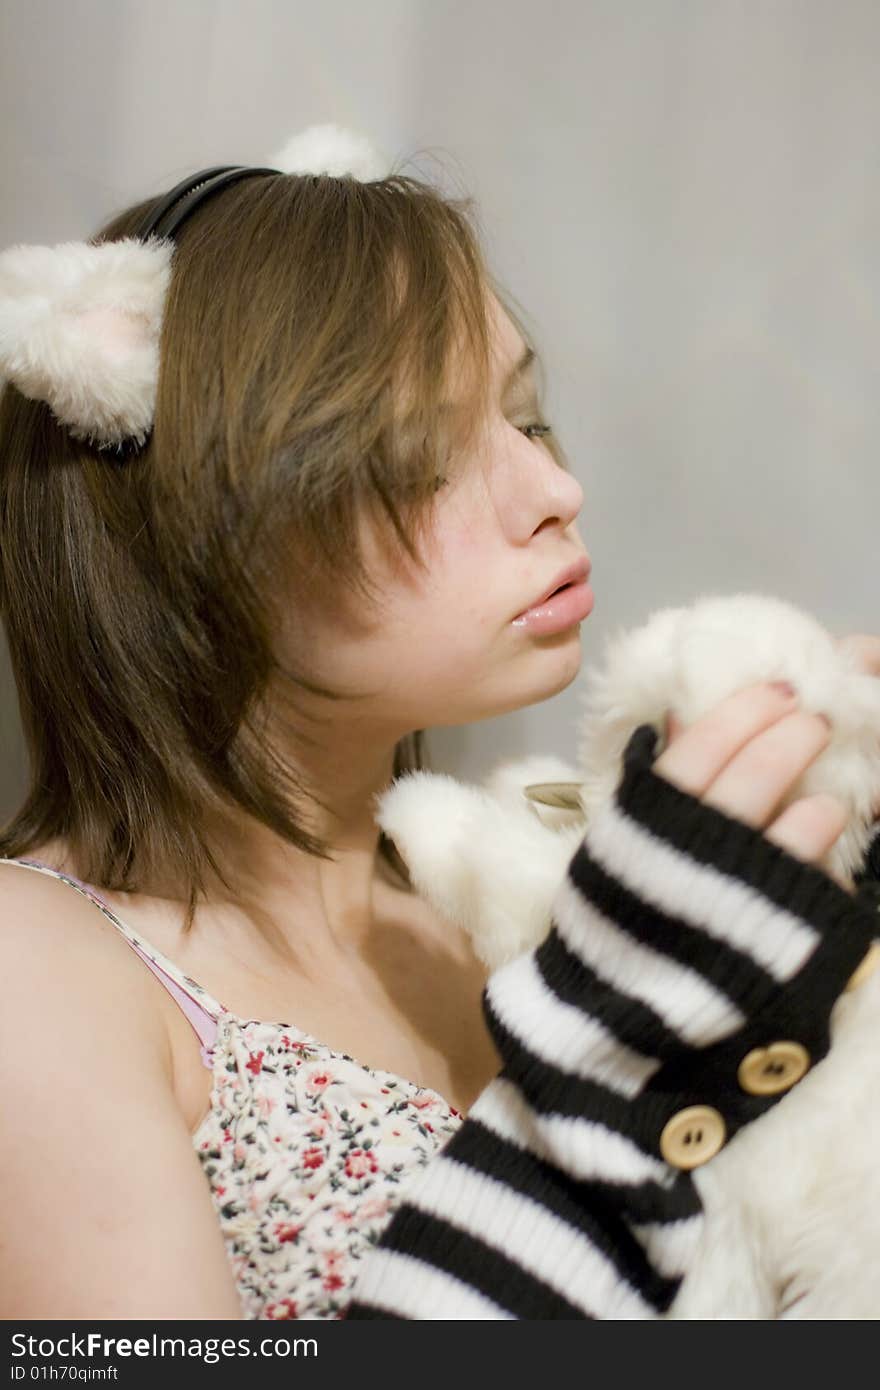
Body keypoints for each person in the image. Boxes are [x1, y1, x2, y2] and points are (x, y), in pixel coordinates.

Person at [1, 136, 878, 1321]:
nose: (551, 490)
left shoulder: (530, 878)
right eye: (418, 453)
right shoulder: (38, 968)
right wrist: (608, 1037)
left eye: (526, 417)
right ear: (195, 532)